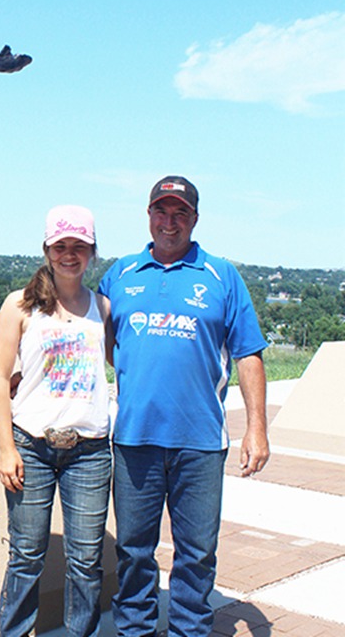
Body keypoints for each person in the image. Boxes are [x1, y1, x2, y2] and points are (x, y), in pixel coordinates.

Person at [98, 176, 270, 637]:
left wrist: (257, 429)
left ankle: (190, 630)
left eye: (180, 214)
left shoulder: (221, 276)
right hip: (135, 438)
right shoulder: (121, 275)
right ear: (148, 215)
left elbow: (248, 353)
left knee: (196, 551)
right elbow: (97, 342)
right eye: (161, 211)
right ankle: (135, 629)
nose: (169, 222)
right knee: (134, 549)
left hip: (200, 441)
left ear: (194, 219)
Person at [0, 205, 113, 637]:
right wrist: (7, 448)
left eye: (79, 246)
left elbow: (122, 365)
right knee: (26, 553)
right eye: (61, 246)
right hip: (32, 447)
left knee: (85, 558)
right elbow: (0, 378)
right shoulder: (20, 306)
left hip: (90, 451)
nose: (69, 254)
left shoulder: (102, 307)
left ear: (92, 252)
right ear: (46, 249)